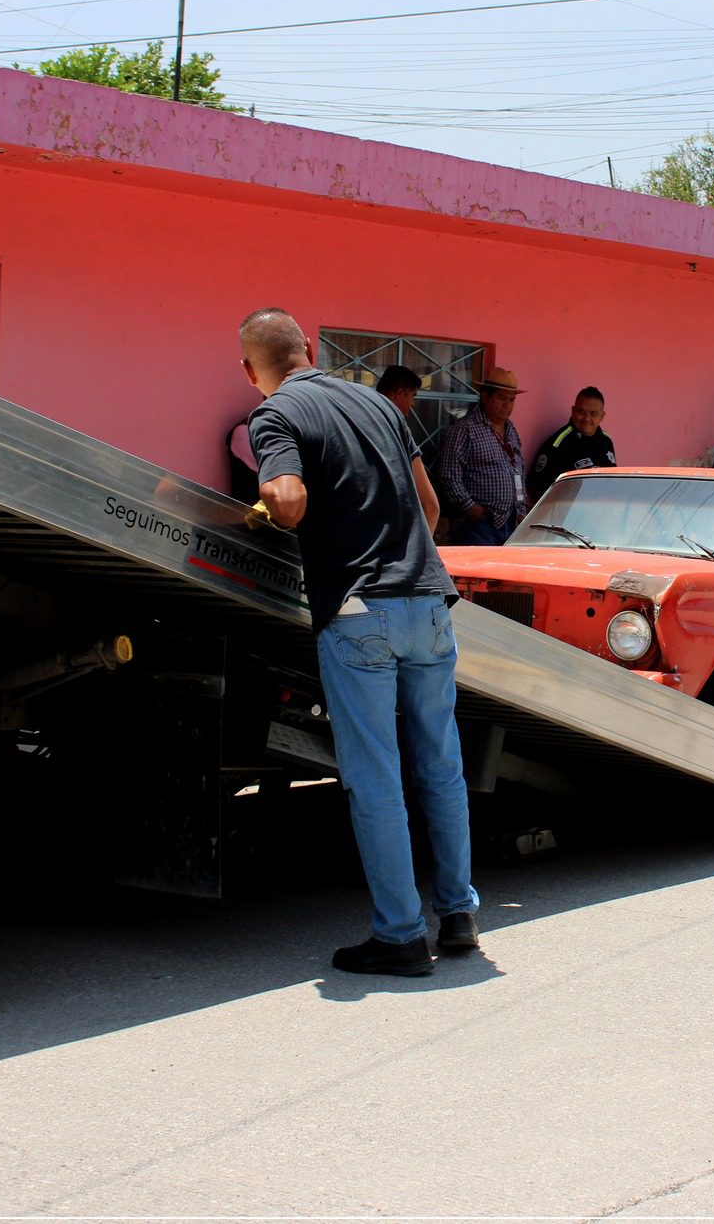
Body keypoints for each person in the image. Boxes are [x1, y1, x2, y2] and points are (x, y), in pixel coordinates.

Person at [239, 307, 479, 976]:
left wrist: (268, 507)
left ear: (249, 370)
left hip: (358, 609)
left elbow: (286, 499)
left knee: (376, 777)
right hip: (428, 602)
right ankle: (458, 914)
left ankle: (401, 934)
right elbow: (430, 507)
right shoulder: (377, 404)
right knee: (440, 763)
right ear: (309, 347)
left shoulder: (275, 414)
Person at [437, 366, 529, 545]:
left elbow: (519, 470)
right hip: (479, 524)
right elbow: (449, 476)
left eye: (512, 400)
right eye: (502, 398)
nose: (507, 405)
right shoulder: (464, 430)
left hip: (510, 521)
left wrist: (521, 510)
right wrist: (471, 508)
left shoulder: (511, 430)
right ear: (485, 397)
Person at [527, 385, 616, 498]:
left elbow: (612, 481)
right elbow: (535, 487)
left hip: (600, 510)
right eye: (581, 412)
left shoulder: (606, 441)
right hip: (569, 513)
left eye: (593, 413)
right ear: (573, 411)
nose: (587, 419)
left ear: (602, 416)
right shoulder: (559, 443)